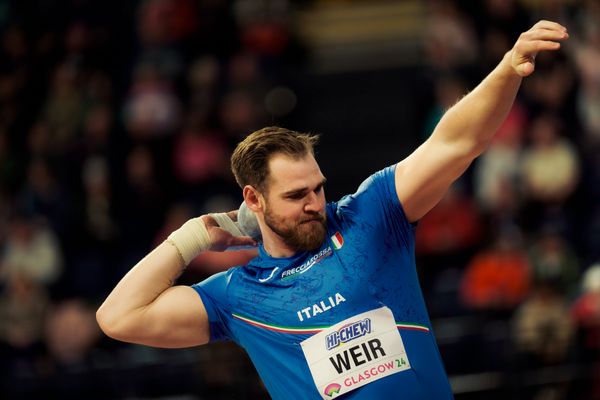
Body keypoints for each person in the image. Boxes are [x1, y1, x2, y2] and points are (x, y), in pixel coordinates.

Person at [97, 20, 569, 399]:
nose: (314, 204)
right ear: (253, 201)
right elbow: (118, 318)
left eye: (317, 188)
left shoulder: (370, 216)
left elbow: (458, 141)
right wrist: (194, 236)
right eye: (295, 195)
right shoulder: (238, 296)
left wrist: (507, 69)